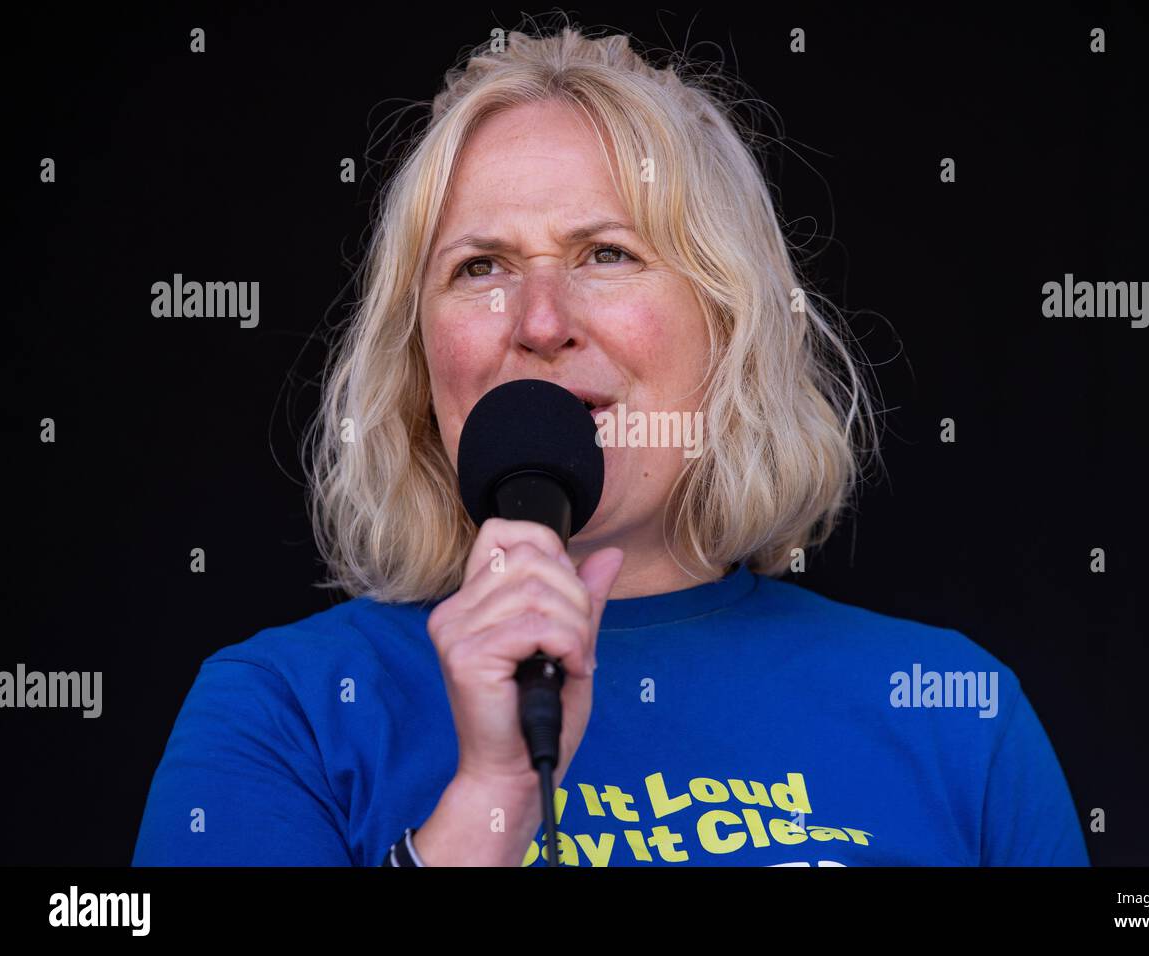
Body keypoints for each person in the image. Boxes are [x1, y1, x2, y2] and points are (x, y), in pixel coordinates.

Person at [132, 24, 1089, 867]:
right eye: (481, 267)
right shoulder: (279, 711)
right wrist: (486, 808)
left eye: (607, 254)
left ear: (730, 321)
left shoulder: (953, 712)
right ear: (418, 358)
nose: (541, 320)